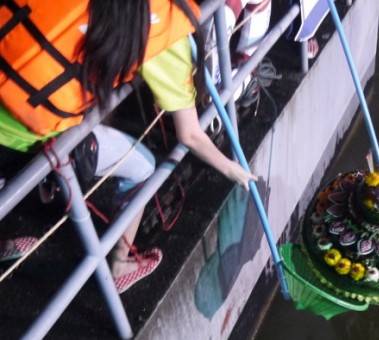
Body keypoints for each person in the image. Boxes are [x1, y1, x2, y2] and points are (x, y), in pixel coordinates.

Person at [0, 0, 257, 293]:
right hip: (32, 135)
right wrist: (232, 168)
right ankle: (120, 264)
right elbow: (190, 135)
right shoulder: (159, 25)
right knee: (144, 168)